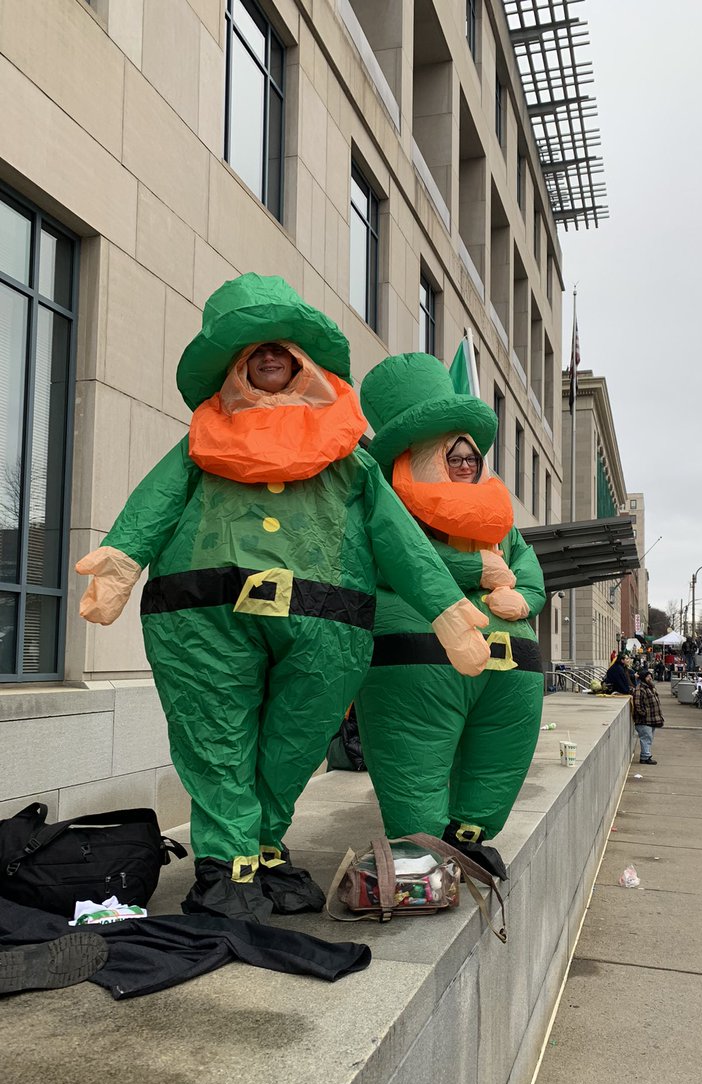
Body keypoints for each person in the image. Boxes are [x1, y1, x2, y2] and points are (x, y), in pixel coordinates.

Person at [76, 275, 490, 921]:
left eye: (283, 348)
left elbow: (397, 537)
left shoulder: (349, 457)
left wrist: (446, 607)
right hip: (203, 614)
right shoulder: (200, 444)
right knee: (215, 735)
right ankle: (226, 862)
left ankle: (263, 846)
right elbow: (154, 504)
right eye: (255, 349)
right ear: (236, 365)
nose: (270, 356)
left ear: (303, 362)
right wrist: (120, 562)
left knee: (296, 740)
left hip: (326, 618)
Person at [353, 353, 546, 879]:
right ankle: (417, 847)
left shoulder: (499, 520)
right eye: (451, 456)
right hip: (419, 658)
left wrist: (526, 598)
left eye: (470, 457)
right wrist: (474, 568)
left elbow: (527, 568)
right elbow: (394, 560)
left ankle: (468, 838)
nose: (463, 465)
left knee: (497, 762)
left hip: (510, 667)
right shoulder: (389, 508)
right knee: (413, 760)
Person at [632, 669, 664, 764]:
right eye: (647, 676)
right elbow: (637, 704)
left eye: (650, 676)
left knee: (649, 738)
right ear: (643, 678)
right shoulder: (640, 689)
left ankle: (646, 755)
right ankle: (645, 757)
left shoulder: (650, 687)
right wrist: (644, 714)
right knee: (646, 738)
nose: (650, 678)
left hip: (652, 719)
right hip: (644, 720)